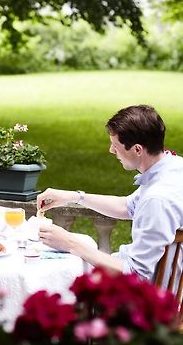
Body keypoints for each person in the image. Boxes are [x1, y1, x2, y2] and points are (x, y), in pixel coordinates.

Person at [37, 104, 183, 281]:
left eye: (115, 145)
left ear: (137, 149)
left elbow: (136, 273)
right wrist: (74, 197)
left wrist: (70, 243)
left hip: (144, 298)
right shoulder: (174, 168)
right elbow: (127, 207)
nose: (111, 150)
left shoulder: (157, 199)